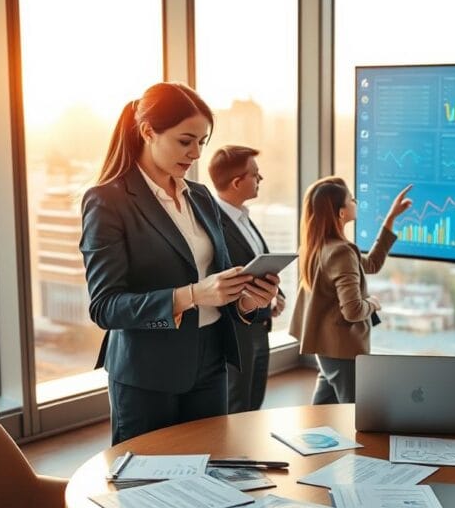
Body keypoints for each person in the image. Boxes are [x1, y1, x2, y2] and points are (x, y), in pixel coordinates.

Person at [80, 82, 280, 445]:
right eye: (185, 141)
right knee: (150, 485)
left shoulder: (201, 197)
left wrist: (249, 300)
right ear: (147, 132)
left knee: (211, 471)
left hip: (211, 361)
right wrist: (192, 295)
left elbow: (215, 285)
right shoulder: (108, 201)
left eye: (202, 143)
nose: (196, 154)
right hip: (147, 372)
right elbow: (105, 307)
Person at [289, 177, 412, 404]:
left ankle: (310, 438)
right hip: (343, 350)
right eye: (351, 200)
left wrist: (391, 218)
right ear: (341, 213)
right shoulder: (341, 252)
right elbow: (353, 311)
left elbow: (372, 264)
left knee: (322, 408)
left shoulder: (317, 246)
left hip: (326, 348)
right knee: (354, 413)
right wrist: (373, 303)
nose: (356, 202)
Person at [207, 145, 283, 413]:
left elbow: (260, 261)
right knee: (238, 405)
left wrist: (276, 296)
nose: (260, 179)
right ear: (237, 182)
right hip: (236, 331)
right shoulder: (213, 224)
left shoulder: (243, 217)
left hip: (260, 326)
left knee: (254, 402)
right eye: (255, 174)